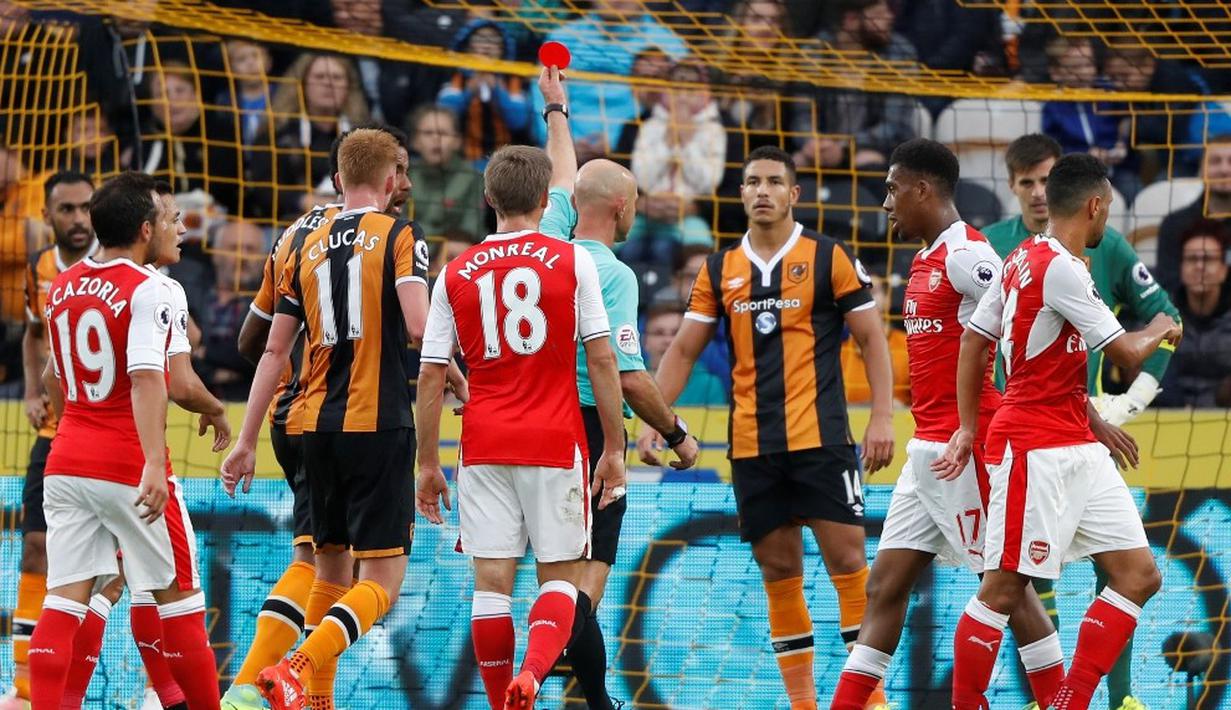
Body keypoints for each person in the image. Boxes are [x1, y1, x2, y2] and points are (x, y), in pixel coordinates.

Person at [638, 145, 896, 710]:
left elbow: (874, 339)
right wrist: (654, 419)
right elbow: (682, 350)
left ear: (793, 193)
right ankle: (803, 705)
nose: (761, 191)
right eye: (752, 181)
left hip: (823, 441)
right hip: (753, 448)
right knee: (779, 572)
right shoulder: (717, 269)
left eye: (774, 182)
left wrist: (881, 415)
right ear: (741, 194)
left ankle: (869, 704)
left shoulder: (827, 256)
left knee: (850, 565)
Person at [934, 154, 1182, 710]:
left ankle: (1069, 702)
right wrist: (1162, 327)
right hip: (1036, 450)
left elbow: (987, 344)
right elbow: (1122, 350)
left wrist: (1094, 423)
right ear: (1094, 206)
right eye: (1108, 212)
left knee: (1140, 575)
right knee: (1003, 589)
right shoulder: (1061, 268)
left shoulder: (1022, 258)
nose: (1107, 224)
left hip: (1076, 440)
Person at [220, 128, 456, 710]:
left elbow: (269, 349)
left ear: (338, 176)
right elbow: (422, 328)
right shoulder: (402, 234)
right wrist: (455, 371)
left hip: (310, 422)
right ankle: (297, 663)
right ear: (389, 179)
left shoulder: (301, 239)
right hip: (378, 424)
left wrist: (245, 441)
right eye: (399, 173)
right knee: (382, 583)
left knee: (325, 569)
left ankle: (304, 697)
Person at [830, 139, 1060, 709]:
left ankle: (1061, 702)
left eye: (891, 189)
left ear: (922, 190)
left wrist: (1011, 414)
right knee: (883, 586)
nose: (886, 203)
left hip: (970, 450)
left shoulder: (968, 255)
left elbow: (1025, 320)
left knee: (1010, 591)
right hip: (926, 451)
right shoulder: (926, 257)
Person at [415, 144, 627, 710]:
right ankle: (532, 675)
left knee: (491, 586)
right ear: (544, 199)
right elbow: (603, 360)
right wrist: (614, 447)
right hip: (555, 441)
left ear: (487, 199)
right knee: (560, 578)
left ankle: (499, 700)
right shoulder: (572, 259)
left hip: (483, 444)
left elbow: (431, 374)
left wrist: (427, 463)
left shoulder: (454, 272)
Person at [538, 66, 699, 709]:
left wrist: (557, 111)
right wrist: (679, 435)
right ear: (624, 208)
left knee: (548, 576)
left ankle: (583, 692)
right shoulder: (614, 273)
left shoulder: (544, 242)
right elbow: (627, 375)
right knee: (585, 584)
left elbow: (559, 173)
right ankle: (543, 662)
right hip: (586, 429)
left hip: (528, 426)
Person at [29, 171, 220, 708]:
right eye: (169, 219)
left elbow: (50, 380)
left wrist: (78, 428)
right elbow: (149, 378)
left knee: (64, 599)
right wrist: (156, 464)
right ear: (144, 228)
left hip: (65, 462)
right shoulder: (152, 287)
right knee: (179, 599)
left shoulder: (63, 283)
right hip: (126, 464)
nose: (178, 227)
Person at [6, 171, 98, 710]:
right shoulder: (40, 268)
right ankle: (22, 689)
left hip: (108, 437)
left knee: (129, 571)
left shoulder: (117, 264)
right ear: (48, 216)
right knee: (35, 547)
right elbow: (34, 333)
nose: (79, 219)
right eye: (66, 209)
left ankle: (162, 688)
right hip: (54, 435)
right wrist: (28, 388)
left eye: (86, 207)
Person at [1157, 220, 1231, 407]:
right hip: (1166, 414)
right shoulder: (1161, 313)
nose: (1199, 266)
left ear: (1224, 270)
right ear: (1181, 268)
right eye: (1191, 259)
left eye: (1208, 259)